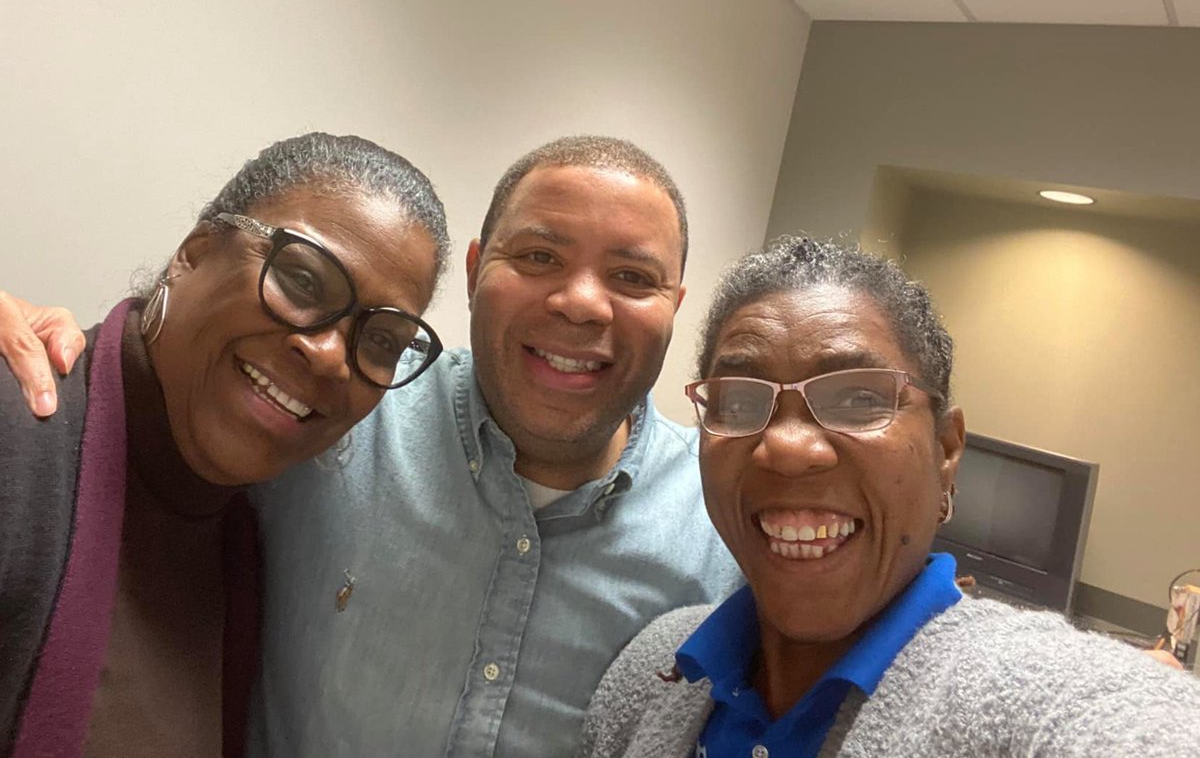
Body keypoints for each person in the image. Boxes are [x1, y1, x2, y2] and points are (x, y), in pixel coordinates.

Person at [0, 136, 743, 756]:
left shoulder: (725, 534)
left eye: (631, 276)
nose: (580, 301)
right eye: (540, 256)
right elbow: (153, 402)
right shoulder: (331, 424)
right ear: (477, 269)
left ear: (674, 305)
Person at [579, 236, 1200, 757]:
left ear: (947, 451)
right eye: (740, 400)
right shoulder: (654, 670)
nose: (789, 449)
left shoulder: (1053, 701)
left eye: (860, 398)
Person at [0, 132, 449, 758]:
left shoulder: (253, 540)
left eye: (380, 342)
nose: (328, 356)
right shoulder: (19, 430)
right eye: (301, 279)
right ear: (195, 253)